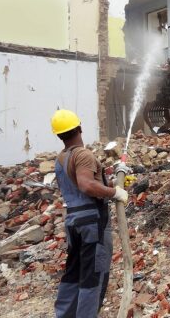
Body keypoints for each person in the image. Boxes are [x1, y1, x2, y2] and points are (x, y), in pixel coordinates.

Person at [50, 109, 128, 317]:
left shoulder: (61, 159)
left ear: (59, 134)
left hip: (74, 222)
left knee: (73, 274)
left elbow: (79, 185)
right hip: (92, 223)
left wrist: (111, 183)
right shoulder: (83, 154)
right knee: (93, 277)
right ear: (80, 128)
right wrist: (114, 193)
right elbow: (86, 185)